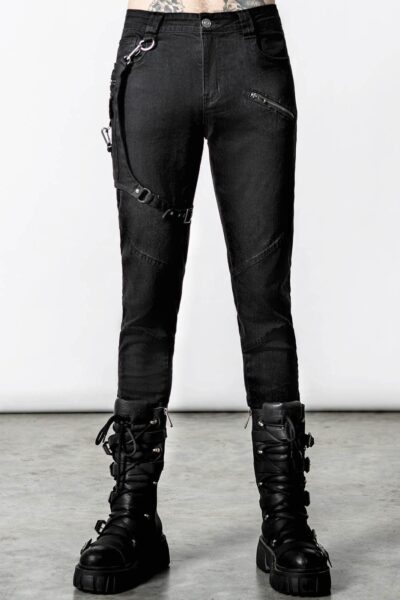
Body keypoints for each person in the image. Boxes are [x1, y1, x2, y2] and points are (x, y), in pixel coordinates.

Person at [73, 0, 332, 596]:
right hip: (153, 48)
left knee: (265, 295)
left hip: (252, 46)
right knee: (146, 297)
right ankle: (133, 515)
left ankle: (285, 519)